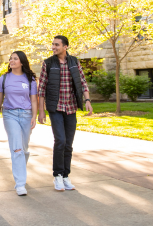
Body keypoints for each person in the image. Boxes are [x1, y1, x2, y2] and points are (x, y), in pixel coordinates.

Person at [37, 35, 93, 191]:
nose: (53, 47)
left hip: (71, 108)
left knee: (68, 144)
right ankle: (57, 176)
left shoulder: (74, 62)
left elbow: (83, 82)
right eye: (53, 44)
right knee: (60, 141)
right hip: (55, 108)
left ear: (65, 46)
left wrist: (87, 101)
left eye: (57, 44)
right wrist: (41, 112)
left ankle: (66, 176)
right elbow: (41, 89)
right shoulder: (48, 63)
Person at [0, 51, 37, 196]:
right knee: (17, 149)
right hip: (10, 114)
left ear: (22, 62)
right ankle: (20, 184)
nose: (11, 61)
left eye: (15, 59)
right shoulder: (4, 79)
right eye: (10, 59)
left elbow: (33, 100)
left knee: (24, 149)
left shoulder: (30, 79)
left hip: (26, 115)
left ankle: (21, 172)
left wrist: (34, 116)